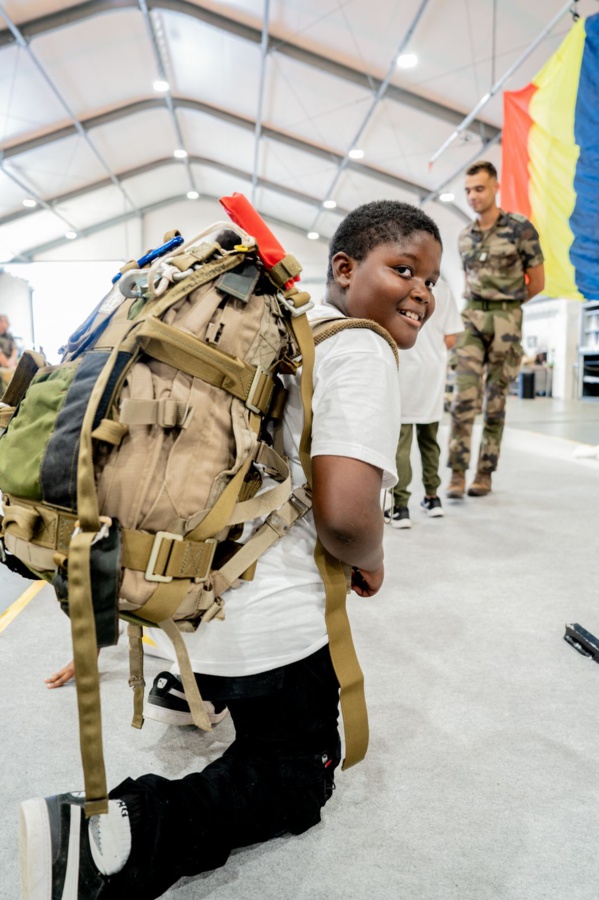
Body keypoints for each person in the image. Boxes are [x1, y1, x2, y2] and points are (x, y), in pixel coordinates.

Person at [19, 200, 442, 900]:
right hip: (264, 626)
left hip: (181, 599)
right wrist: (371, 558)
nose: (421, 292)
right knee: (297, 778)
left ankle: (190, 688)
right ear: (344, 268)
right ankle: (107, 843)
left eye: (431, 279)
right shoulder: (359, 348)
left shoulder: (281, 331)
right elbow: (345, 518)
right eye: (404, 269)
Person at [446, 160, 544, 499]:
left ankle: (484, 474)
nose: (473, 196)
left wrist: (508, 306)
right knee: (463, 398)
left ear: (495, 187)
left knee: (495, 402)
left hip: (506, 320)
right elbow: (467, 279)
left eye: (479, 188)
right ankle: (457, 473)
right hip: (471, 320)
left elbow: (538, 282)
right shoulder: (464, 236)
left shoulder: (520, 229)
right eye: (468, 191)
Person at [384, 279, 463, 528]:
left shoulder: (398, 281)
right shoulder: (442, 287)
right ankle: (432, 498)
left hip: (403, 368)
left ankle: (400, 507)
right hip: (432, 373)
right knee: (430, 441)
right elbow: (451, 337)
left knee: (401, 444)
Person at [0, 315, 18, 391]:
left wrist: (12, 360)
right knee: (8, 374)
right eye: (6, 322)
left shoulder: (9, 336)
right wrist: (9, 365)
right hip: (3, 364)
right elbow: (1, 356)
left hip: (11, 362)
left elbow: (15, 349)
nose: (9, 324)